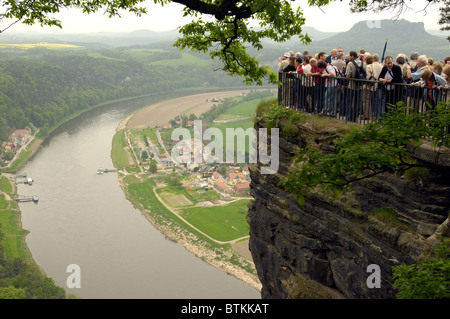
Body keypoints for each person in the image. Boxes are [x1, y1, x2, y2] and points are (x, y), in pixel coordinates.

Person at [345, 51, 366, 121]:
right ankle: (356, 117)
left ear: (352, 56)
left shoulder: (350, 63)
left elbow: (348, 75)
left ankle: (349, 117)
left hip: (352, 85)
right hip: (360, 85)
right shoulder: (363, 63)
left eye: (349, 56)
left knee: (349, 102)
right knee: (357, 102)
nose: (349, 57)